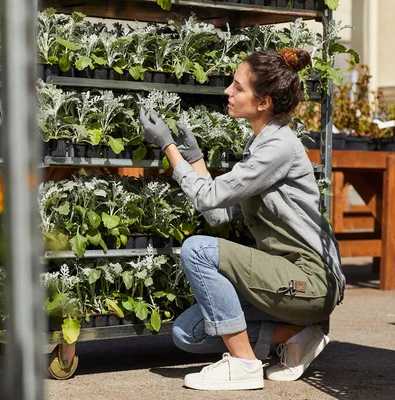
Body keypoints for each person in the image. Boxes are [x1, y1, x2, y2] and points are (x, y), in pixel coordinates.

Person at [139, 47, 345, 391]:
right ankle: (298, 334)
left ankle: (244, 364)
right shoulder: (262, 144)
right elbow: (219, 214)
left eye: (237, 87)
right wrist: (196, 158)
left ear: (263, 101)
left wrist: (168, 148)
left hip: (309, 279)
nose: (227, 92)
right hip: (283, 276)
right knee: (187, 333)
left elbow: (207, 196)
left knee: (197, 250)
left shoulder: (278, 147)